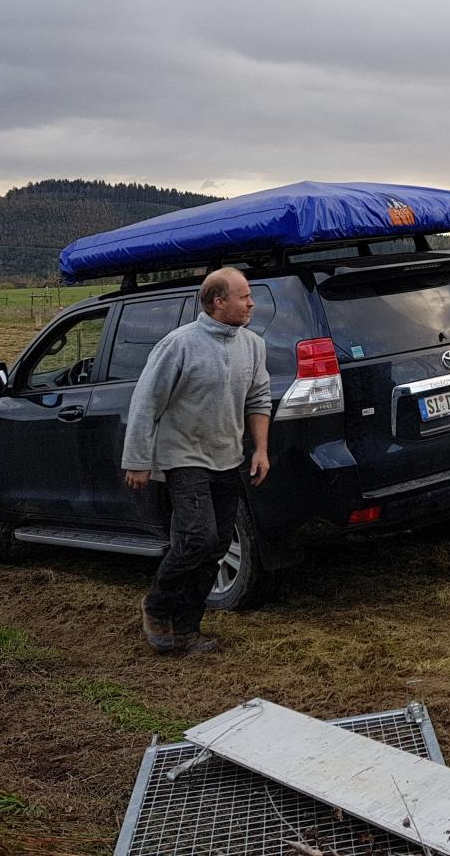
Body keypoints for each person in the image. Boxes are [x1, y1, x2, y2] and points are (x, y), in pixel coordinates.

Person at [122, 267, 271, 654]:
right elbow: (145, 403)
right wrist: (138, 460)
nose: (251, 302)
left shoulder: (253, 345)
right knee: (195, 538)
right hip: (183, 457)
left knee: (218, 543)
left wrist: (261, 450)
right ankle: (156, 607)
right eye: (244, 296)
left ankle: (187, 629)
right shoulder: (179, 345)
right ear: (218, 301)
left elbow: (259, 400)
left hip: (227, 457)